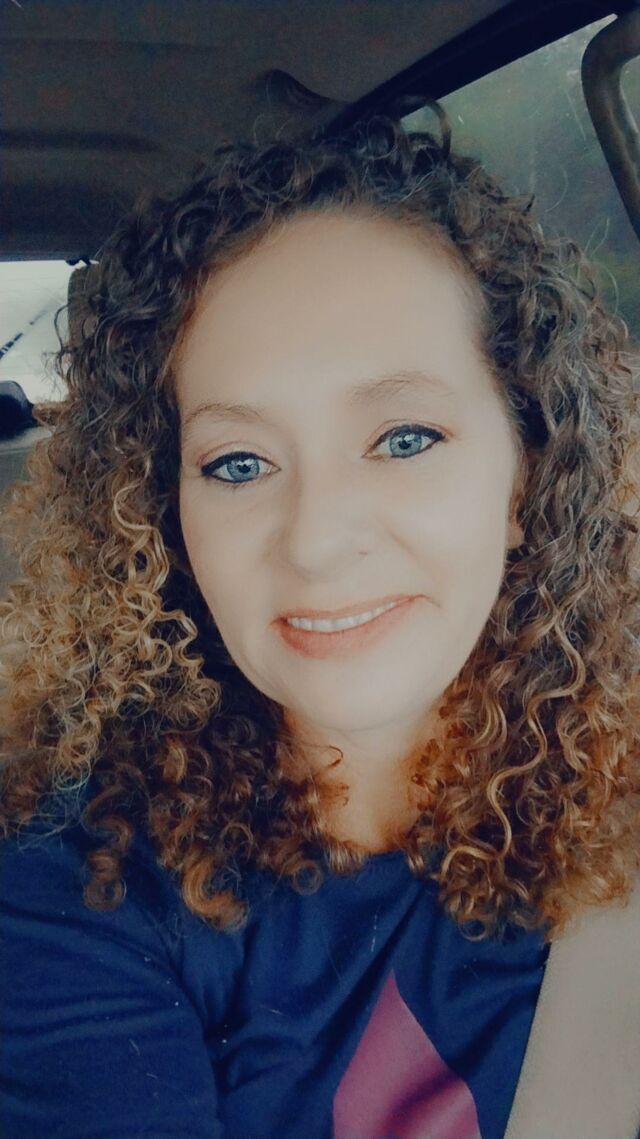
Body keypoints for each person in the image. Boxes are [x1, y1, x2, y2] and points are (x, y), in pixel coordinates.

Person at [0, 109, 639, 1139]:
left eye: (404, 437)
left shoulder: (622, 802)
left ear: (526, 474)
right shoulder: (79, 886)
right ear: (166, 518)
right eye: (238, 463)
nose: (317, 541)